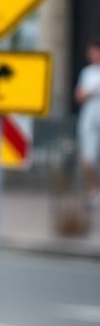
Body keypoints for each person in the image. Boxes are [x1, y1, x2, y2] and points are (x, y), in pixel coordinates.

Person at [75, 39, 100, 206]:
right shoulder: (87, 72)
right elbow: (79, 95)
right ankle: (93, 191)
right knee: (88, 158)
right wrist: (90, 91)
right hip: (89, 119)